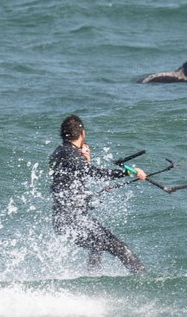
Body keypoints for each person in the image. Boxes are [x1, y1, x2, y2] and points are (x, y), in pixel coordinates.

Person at [49, 114, 147, 274]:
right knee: (108, 244)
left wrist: (84, 160)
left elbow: (74, 179)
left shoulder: (59, 152)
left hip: (65, 218)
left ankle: (94, 277)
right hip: (72, 219)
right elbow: (95, 173)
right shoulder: (72, 155)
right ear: (83, 134)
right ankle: (96, 278)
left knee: (107, 244)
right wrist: (129, 172)